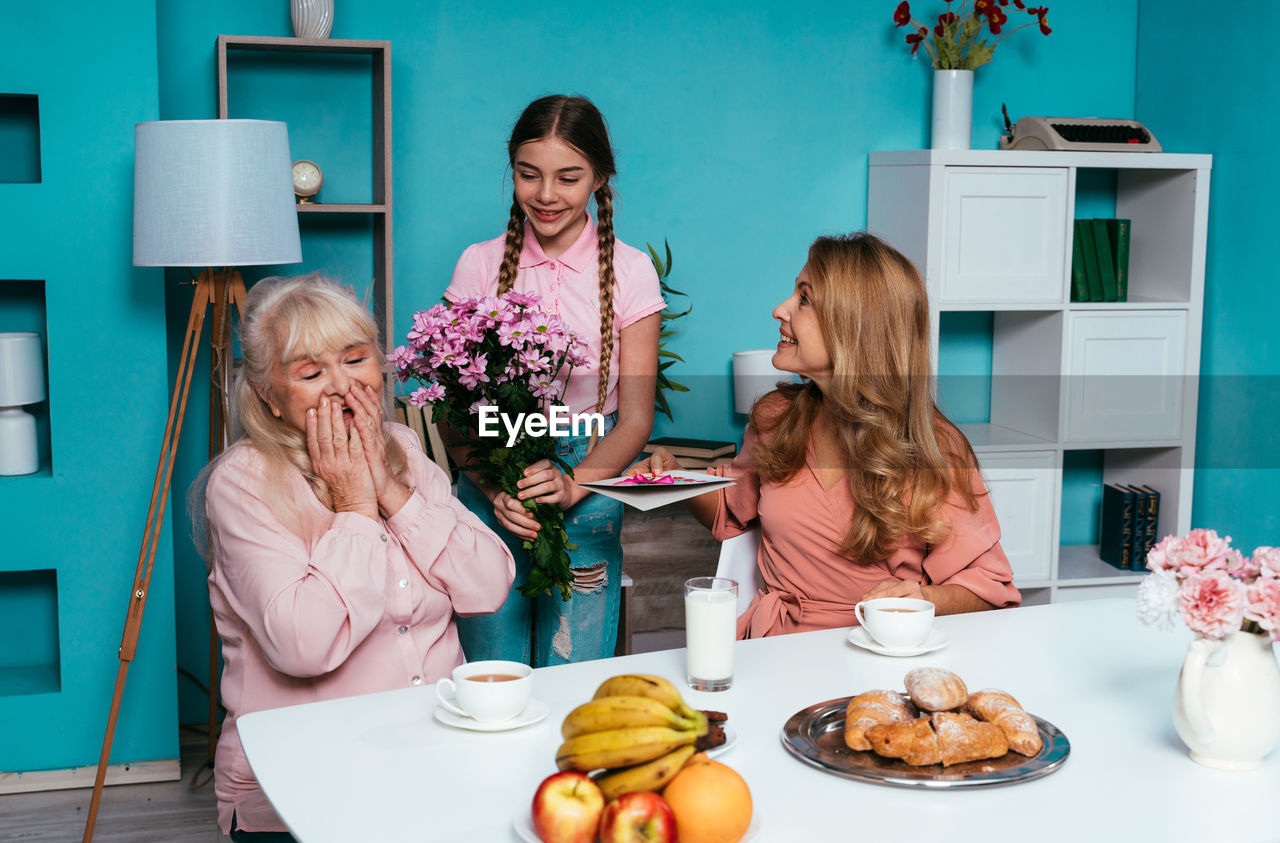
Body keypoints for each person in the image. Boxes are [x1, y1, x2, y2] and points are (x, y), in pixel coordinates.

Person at [197, 274, 514, 840]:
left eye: (355, 359)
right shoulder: (242, 482)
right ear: (268, 395)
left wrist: (393, 489)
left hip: (435, 767)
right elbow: (303, 647)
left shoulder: (407, 450)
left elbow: (489, 587)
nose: (343, 387)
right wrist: (355, 507)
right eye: (312, 372)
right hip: (304, 788)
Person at [633, 233, 1021, 638]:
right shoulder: (776, 417)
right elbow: (731, 509)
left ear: (856, 327)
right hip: (773, 649)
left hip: (873, 652)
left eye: (804, 299)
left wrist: (926, 599)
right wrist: (672, 478)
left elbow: (992, 588)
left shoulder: (933, 448)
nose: (779, 310)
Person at [444, 94, 664, 666]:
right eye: (528, 174)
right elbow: (452, 410)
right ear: (511, 172)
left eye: (568, 177)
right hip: (491, 479)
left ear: (599, 178)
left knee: (573, 673)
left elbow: (635, 418)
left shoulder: (633, 271)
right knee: (493, 675)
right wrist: (493, 492)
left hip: (589, 480)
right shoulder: (478, 264)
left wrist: (574, 484)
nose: (546, 195)